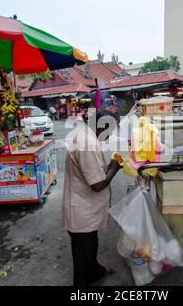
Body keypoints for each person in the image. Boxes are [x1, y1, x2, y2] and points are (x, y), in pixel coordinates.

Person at [62, 110, 122, 286]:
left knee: (90, 246)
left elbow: (92, 170)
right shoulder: (87, 144)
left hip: (84, 207)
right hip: (81, 210)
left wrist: (109, 165)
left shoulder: (85, 135)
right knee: (82, 256)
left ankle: (95, 271)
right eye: (111, 129)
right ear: (102, 126)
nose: (112, 133)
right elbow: (97, 185)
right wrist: (115, 168)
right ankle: (85, 280)